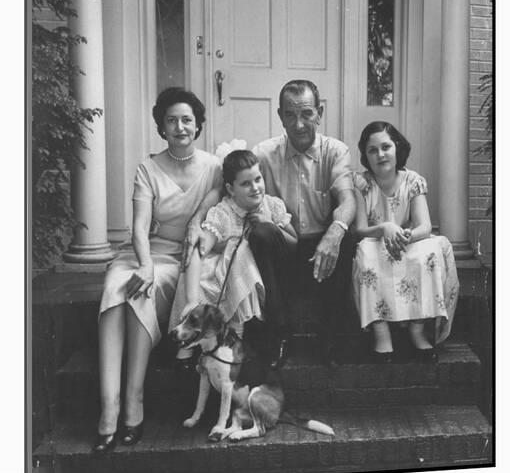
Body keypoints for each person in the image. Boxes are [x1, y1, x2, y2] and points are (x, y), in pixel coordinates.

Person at [94, 87, 222, 452]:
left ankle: (133, 405)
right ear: (161, 127)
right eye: (171, 120)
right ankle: (108, 409)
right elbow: (138, 227)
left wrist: (197, 220)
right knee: (117, 285)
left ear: (197, 126)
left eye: (186, 120)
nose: (179, 127)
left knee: (139, 294)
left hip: (186, 259)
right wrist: (145, 263)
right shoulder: (147, 168)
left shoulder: (213, 166)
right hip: (148, 253)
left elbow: (216, 202)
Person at [252, 79, 356, 366]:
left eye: (306, 113)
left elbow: (347, 199)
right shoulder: (263, 153)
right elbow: (232, 188)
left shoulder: (335, 151)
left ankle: (333, 336)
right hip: (283, 246)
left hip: (321, 251)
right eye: (290, 114)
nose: (298, 124)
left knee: (347, 234)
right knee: (259, 232)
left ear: (319, 113)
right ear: (280, 116)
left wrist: (335, 232)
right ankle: (277, 335)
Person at [169, 150, 297, 366]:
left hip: (270, 274)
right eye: (246, 184)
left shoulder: (271, 205)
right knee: (224, 261)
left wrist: (270, 224)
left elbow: (294, 242)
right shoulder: (225, 211)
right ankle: (194, 346)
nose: (255, 187)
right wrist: (191, 299)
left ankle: (249, 339)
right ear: (230, 189)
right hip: (235, 273)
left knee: (245, 250)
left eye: (258, 179)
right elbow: (201, 248)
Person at [352, 121, 459, 363]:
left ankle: (417, 328)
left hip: (407, 240)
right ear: (365, 155)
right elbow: (360, 229)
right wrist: (385, 227)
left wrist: (402, 235)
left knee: (429, 251)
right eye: (372, 150)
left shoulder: (413, 181)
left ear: (397, 148)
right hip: (376, 239)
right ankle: (381, 333)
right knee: (367, 252)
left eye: (386, 147)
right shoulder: (361, 183)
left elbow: (424, 225)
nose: (380, 154)